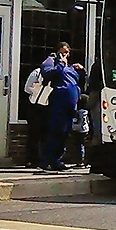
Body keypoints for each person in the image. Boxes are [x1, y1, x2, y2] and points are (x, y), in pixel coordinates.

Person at [39, 42, 81, 171]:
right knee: (56, 132)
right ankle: (49, 160)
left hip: (70, 106)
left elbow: (76, 82)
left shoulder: (69, 67)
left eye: (67, 53)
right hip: (58, 104)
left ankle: (57, 159)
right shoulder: (51, 61)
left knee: (65, 133)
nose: (65, 55)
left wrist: (80, 71)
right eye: (62, 52)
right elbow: (47, 73)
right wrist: (61, 65)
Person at [23, 60, 52, 167]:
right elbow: (27, 88)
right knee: (34, 134)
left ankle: (43, 160)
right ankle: (32, 160)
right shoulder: (37, 72)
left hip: (47, 107)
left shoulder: (55, 74)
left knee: (45, 134)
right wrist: (40, 91)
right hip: (35, 106)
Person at [71, 93, 92, 167]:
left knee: (78, 145)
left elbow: (75, 120)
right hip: (85, 129)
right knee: (84, 145)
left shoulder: (77, 112)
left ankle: (80, 160)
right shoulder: (86, 111)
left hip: (77, 130)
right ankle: (85, 160)